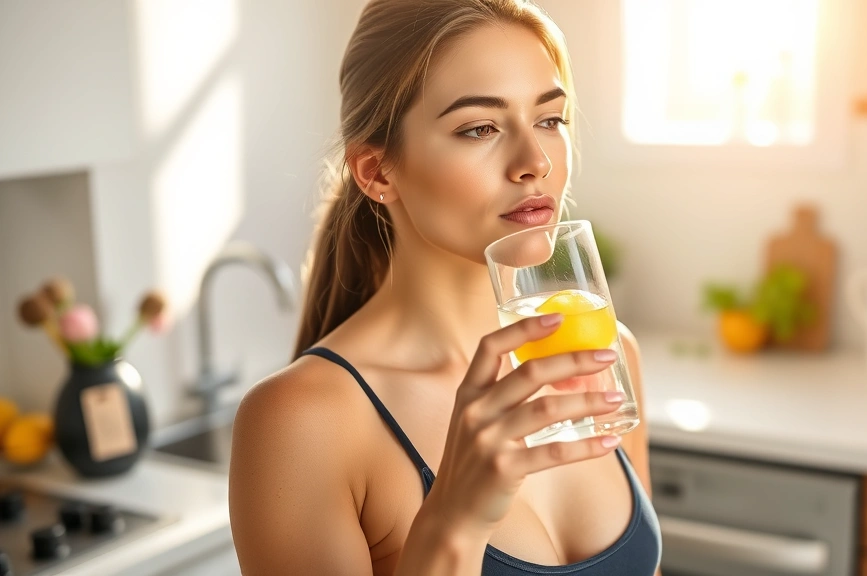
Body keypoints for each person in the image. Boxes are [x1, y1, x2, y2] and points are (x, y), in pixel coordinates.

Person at [229, 1, 662, 574]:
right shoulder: (301, 424)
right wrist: (454, 521)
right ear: (378, 172)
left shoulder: (604, 355)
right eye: (479, 128)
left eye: (549, 119)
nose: (534, 161)